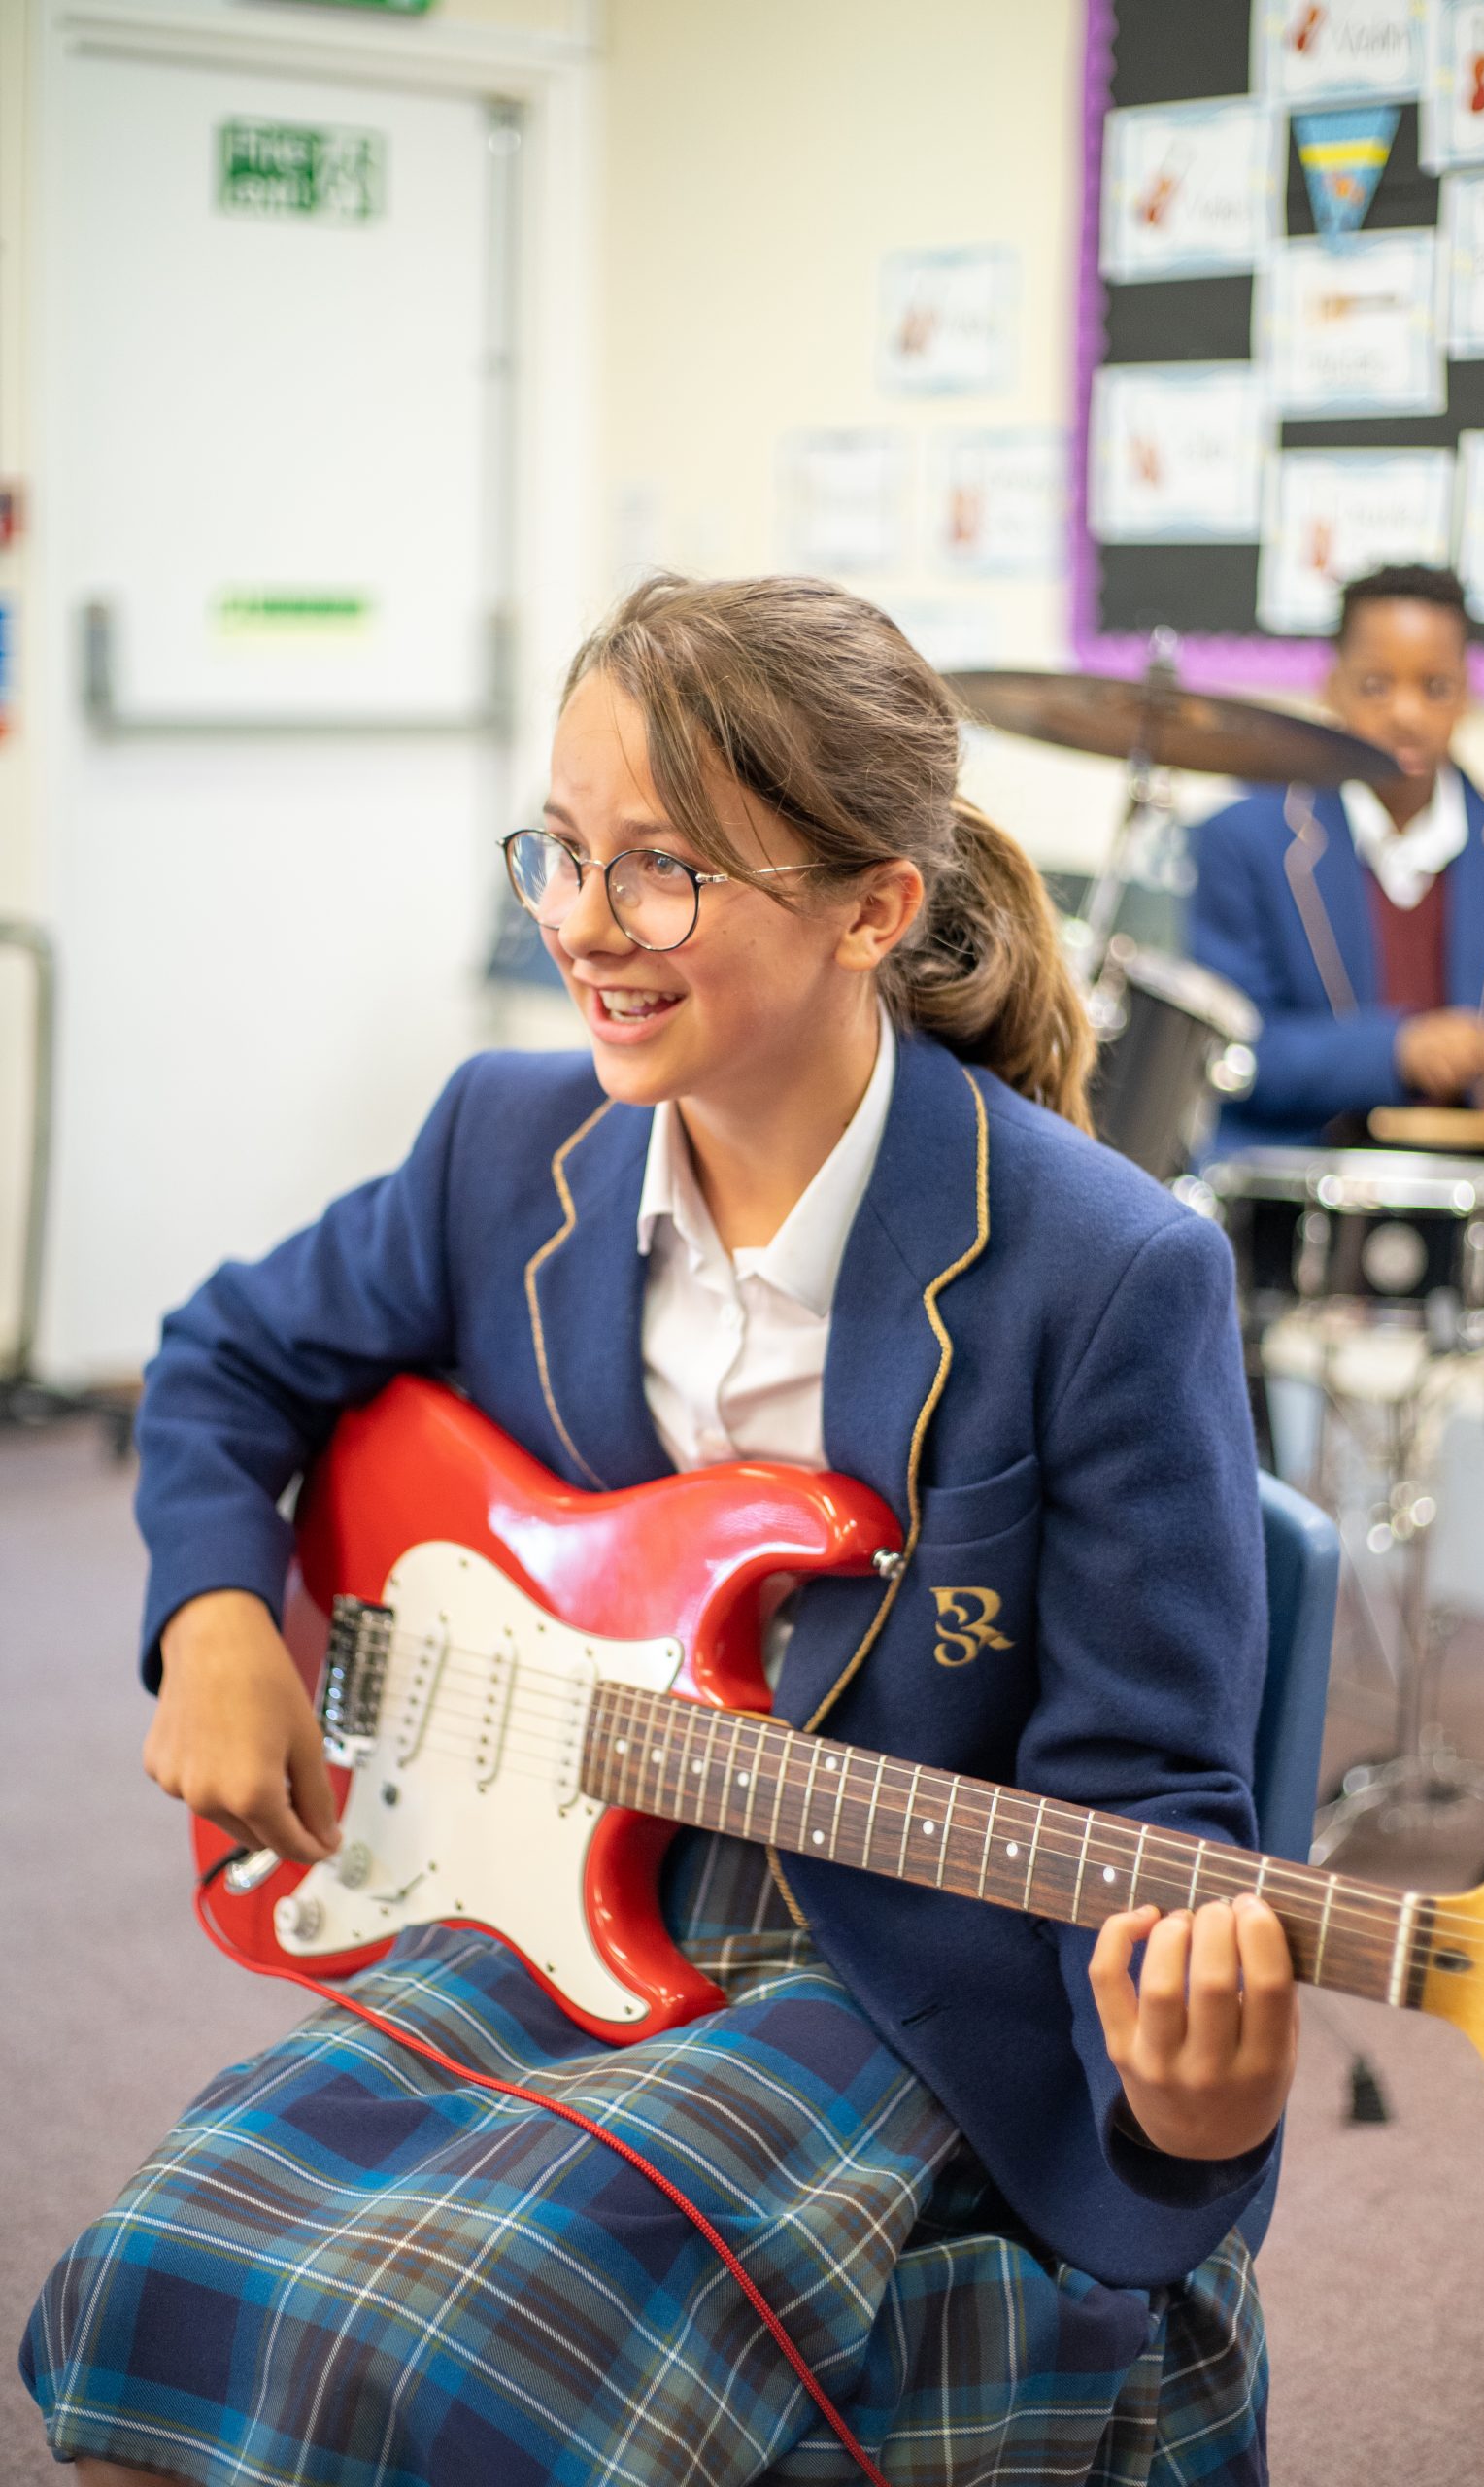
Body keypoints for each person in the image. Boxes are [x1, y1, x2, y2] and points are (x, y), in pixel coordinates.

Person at [24, 575, 1297, 2487]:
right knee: (149, 2286)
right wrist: (215, 1611)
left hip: (873, 1958)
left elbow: (1145, 1803)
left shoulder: (1108, 1273)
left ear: (874, 903)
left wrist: (1193, 2091)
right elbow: (226, 1354)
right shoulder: (501, 1143)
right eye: (560, 849)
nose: (579, 926)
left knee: (450, 2370)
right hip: (534, 1878)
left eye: (662, 871)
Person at [1189, 563, 1484, 1867]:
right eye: (1375, 682)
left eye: (1433, 686)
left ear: (1469, 695)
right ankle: (1240, 1741)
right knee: (1212, 1391)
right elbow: (1236, 1055)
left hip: (1470, 1218)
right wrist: (1402, 1047)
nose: (1404, 713)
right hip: (1288, 1211)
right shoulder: (1241, 840)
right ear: (1330, 687)